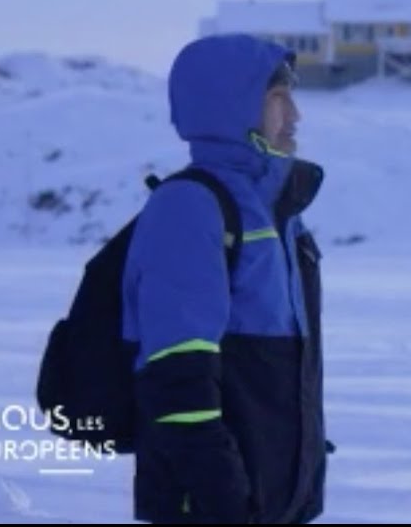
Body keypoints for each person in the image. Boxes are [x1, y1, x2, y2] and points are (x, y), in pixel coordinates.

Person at [121, 34, 328, 524]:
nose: (295, 116)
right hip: (213, 503)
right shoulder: (192, 207)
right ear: (231, 108)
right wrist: (217, 488)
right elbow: (176, 366)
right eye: (278, 100)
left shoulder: (279, 214)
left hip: (274, 494)